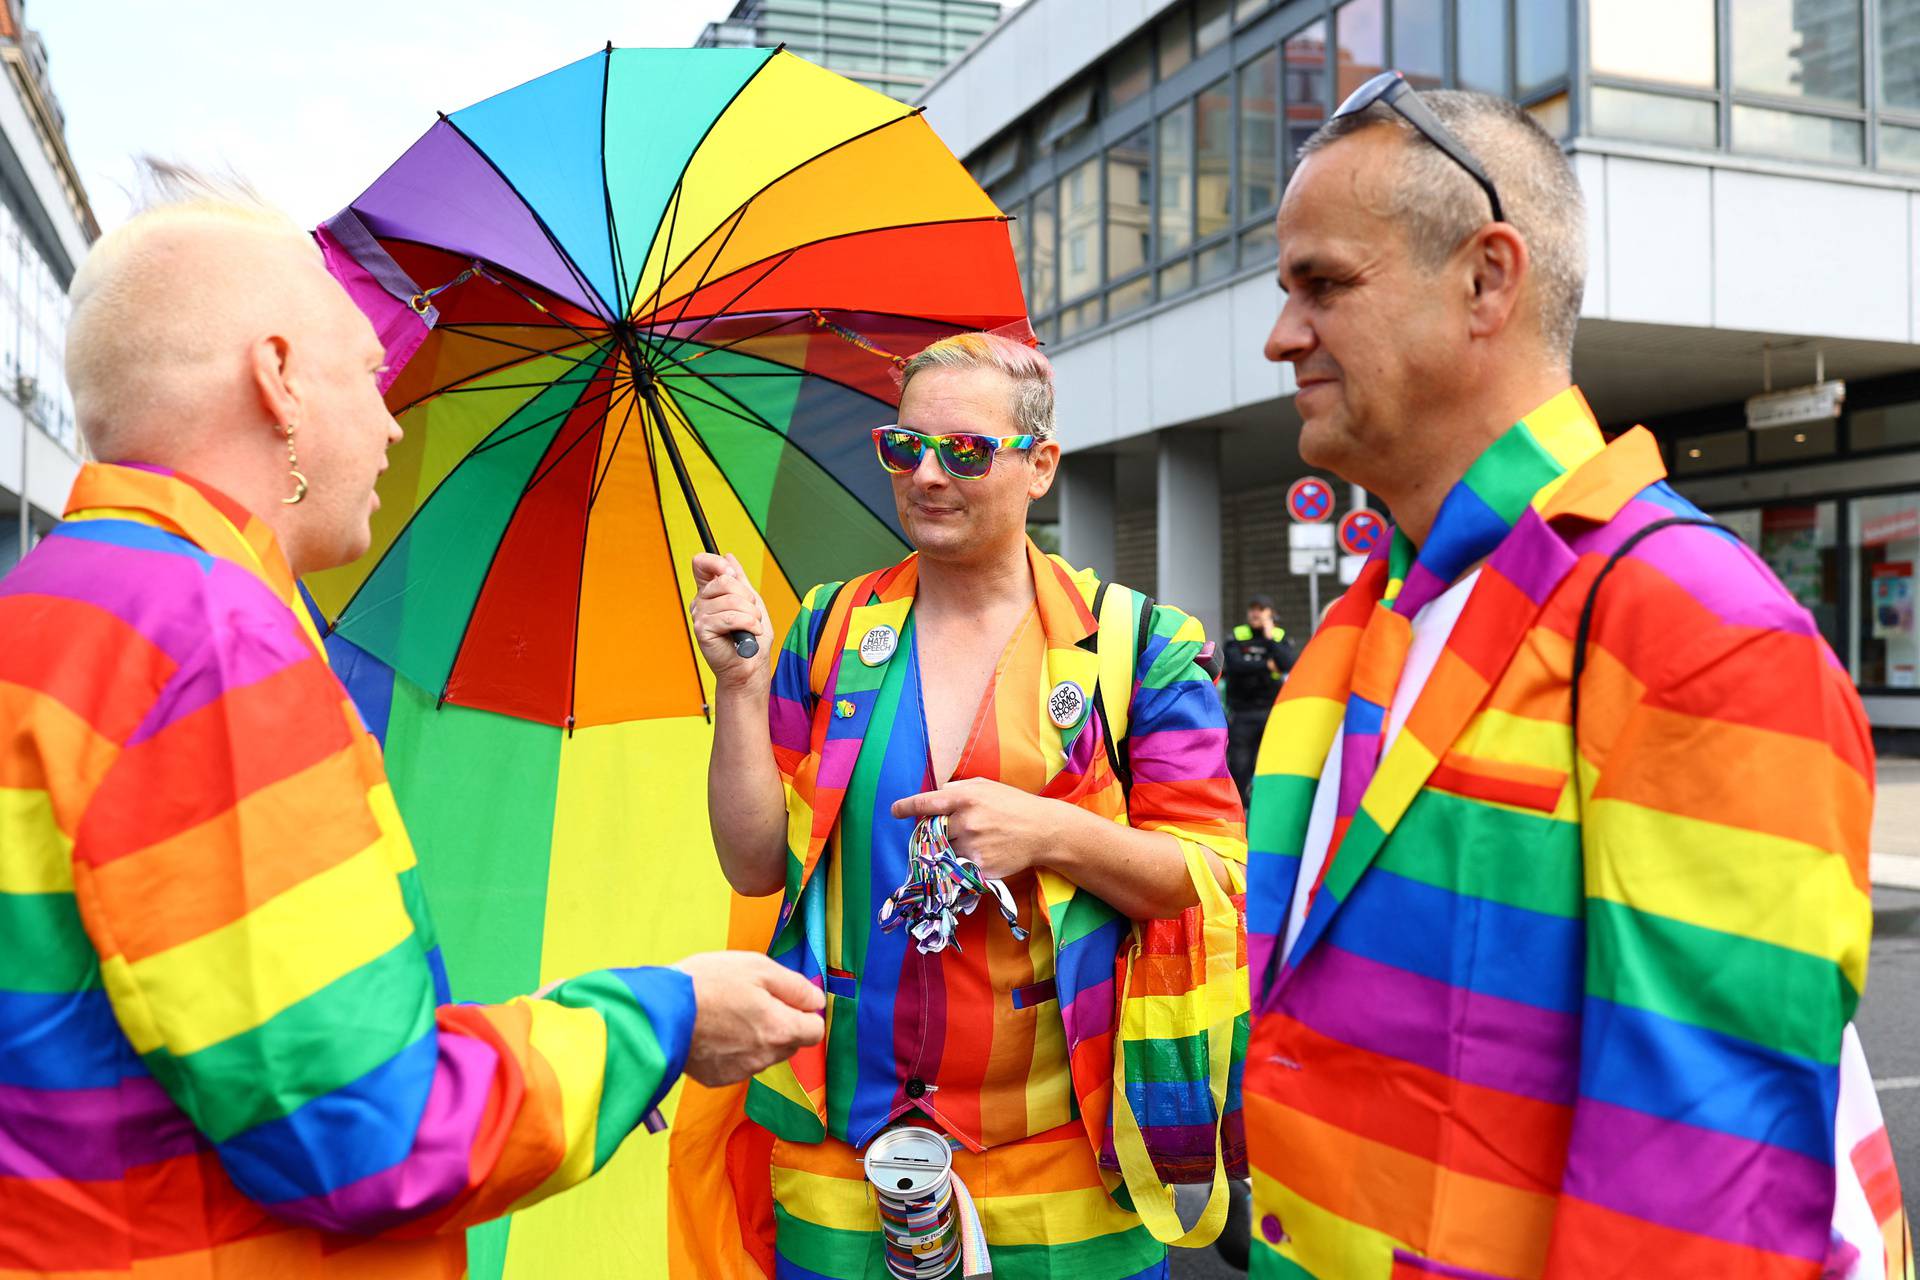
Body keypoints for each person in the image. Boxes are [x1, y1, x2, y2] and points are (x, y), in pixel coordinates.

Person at [0, 169, 824, 1278]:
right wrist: (664, 1017)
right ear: (279, 379)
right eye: (369, 372)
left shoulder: (51, 603)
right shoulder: (211, 641)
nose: (391, 422)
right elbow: (369, 1132)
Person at [1245, 76, 1911, 1278]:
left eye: (1324, 285)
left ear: (1489, 278)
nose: (1281, 334)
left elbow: (1703, 1211)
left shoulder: (1698, 631)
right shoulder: (1367, 617)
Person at [690, 333, 1247, 1278]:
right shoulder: (826, 632)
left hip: (1064, 1158)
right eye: (904, 448)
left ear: (1040, 465)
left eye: (965, 451)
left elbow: (1215, 881)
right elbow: (753, 865)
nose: (928, 476)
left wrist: (1054, 833)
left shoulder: (1140, 645)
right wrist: (740, 687)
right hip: (842, 1150)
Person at [1219, 594, 1292, 805]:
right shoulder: (1237, 635)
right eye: (1252, 608)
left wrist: (1269, 638)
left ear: (1271, 613)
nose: (1255, 613)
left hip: (1271, 712)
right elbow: (1234, 666)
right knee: (1240, 765)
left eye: (1261, 608)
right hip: (1242, 712)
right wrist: (1266, 666)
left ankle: (1266, 805)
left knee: (1270, 763)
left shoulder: (1278, 636)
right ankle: (1239, 808)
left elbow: (1288, 663)